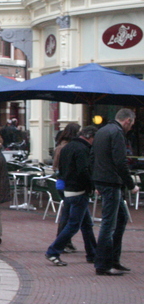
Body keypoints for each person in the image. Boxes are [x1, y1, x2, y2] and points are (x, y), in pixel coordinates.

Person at [91, 108, 140, 276]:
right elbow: (120, 162)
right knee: (109, 223)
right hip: (111, 182)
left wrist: (95, 181)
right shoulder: (117, 133)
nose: (131, 127)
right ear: (127, 121)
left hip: (103, 180)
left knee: (120, 218)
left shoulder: (102, 131)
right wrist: (131, 185)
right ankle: (104, 264)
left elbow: (93, 157)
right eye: (131, 124)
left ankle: (113, 260)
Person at [45, 126, 98, 266]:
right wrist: (94, 185)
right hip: (79, 190)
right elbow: (83, 171)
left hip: (68, 188)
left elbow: (61, 168)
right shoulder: (82, 149)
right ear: (89, 137)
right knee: (74, 225)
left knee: (86, 224)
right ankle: (53, 251)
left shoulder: (67, 147)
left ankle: (93, 253)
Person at [52, 122, 81, 253]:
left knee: (68, 213)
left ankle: (65, 241)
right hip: (66, 183)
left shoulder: (60, 145)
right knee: (68, 214)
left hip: (61, 182)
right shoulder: (67, 147)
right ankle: (62, 241)